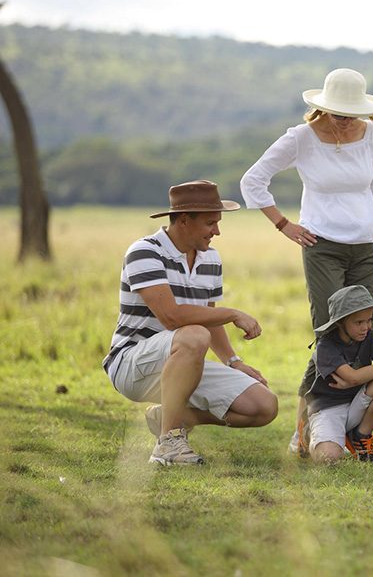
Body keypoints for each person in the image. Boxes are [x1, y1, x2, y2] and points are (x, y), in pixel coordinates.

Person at [239, 68, 373, 458]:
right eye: (338, 113)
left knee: (361, 333)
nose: (345, 120)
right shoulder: (301, 137)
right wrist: (284, 225)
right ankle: (303, 429)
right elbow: (252, 180)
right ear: (323, 107)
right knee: (329, 335)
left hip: (367, 247)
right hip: (322, 246)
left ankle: (357, 432)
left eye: (351, 113)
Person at [102, 180, 278, 465]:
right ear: (184, 220)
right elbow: (172, 317)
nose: (217, 231)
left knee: (264, 405)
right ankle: (169, 443)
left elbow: (208, 318)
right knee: (194, 335)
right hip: (132, 365)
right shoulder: (144, 251)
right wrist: (233, 314)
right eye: (210, 223)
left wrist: (233, 361)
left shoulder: (211, 258)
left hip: (184, 360)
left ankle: (173, 417)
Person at [305, 285, 373, 463]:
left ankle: (360, 436)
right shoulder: (325, 345)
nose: (366, 327)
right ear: (340, 323)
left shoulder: (370, 336)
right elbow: (353, 377)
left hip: (356, 404)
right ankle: (312, 435)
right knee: (329, 458)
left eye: (369, 320)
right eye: (358, 322)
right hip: (328, 408)